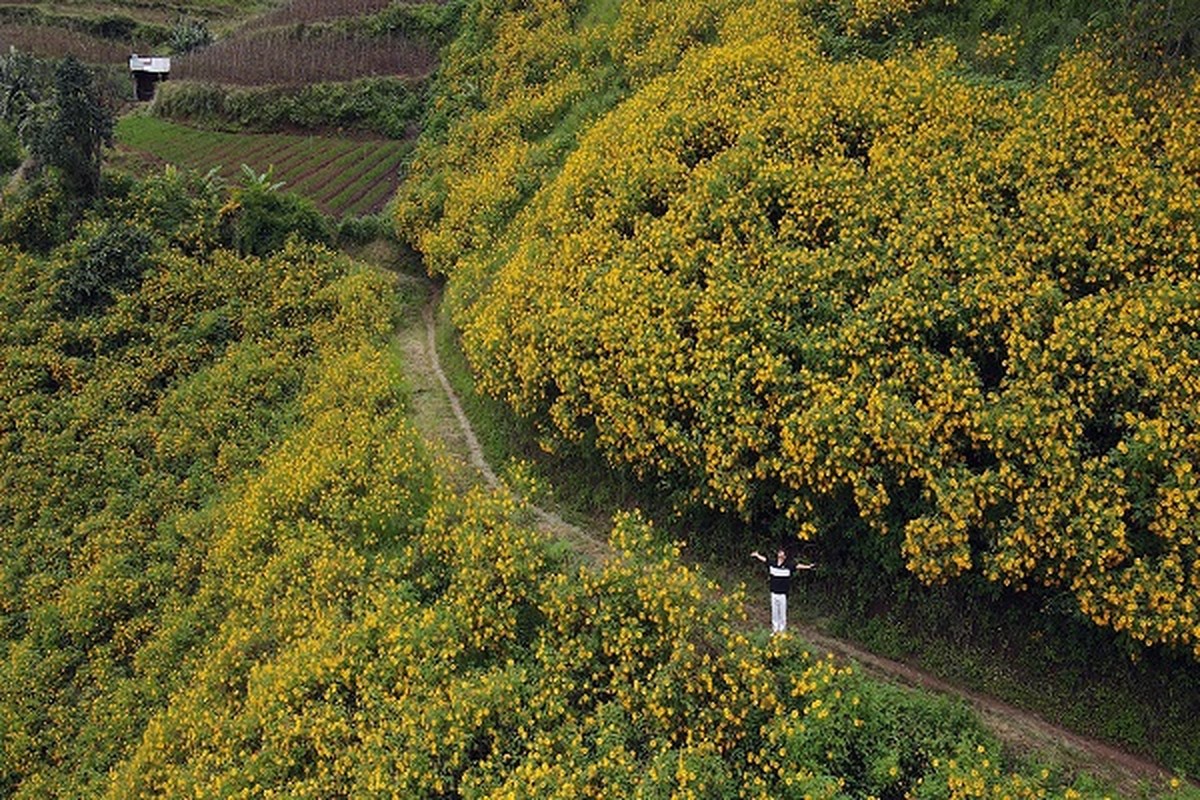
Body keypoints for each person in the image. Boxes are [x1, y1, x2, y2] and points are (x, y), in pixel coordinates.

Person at [751, 547, 815, 634]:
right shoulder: (772, 563)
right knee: (774, 613)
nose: (780, 554)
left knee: (782, 614)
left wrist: (808, 567)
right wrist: (757, 555)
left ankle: (782, 632)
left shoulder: (788, 565)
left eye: (782, 553)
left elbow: (798, 566)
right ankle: (775, 630)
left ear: (785, 556)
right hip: (773, 592)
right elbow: (764, 560)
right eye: (780, 552)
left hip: (783, 594)